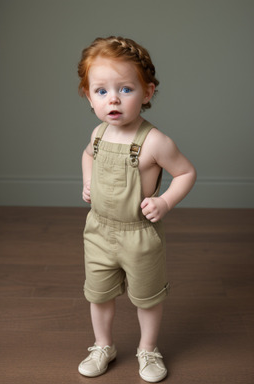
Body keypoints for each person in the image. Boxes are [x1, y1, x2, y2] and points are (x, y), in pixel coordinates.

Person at [77, 36, 196, 383]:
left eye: (125, 89)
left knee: (147, 297)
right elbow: (87, 155)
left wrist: (165, 201)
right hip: (98, 230)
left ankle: (148, 348)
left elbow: (186, 172)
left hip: (138, 234)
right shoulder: (99, 134)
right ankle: (103, 345)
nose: (112, 98)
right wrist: (88, 181)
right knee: (97, 295)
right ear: (89, 96)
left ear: (147, 93)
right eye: (101, 91)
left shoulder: (155, 141)